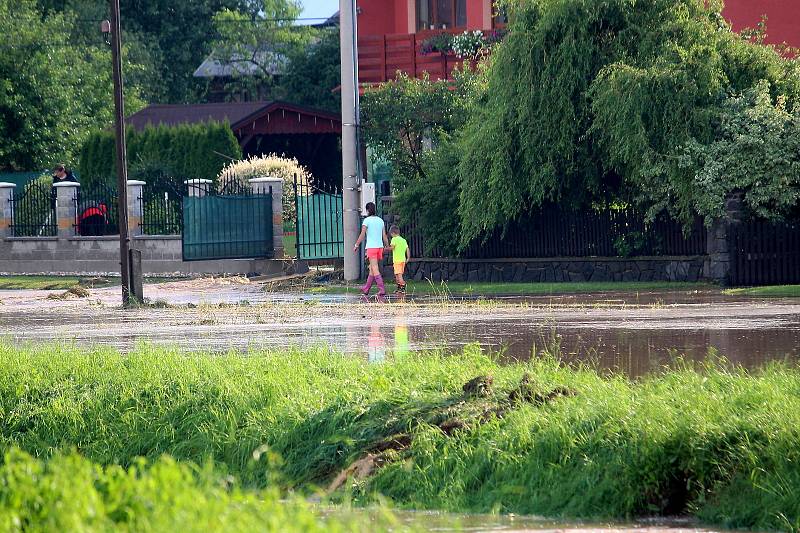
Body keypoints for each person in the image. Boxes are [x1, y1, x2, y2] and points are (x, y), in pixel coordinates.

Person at [353, 202, 389, 297]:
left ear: (367, 210)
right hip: (379, 247)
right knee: (372, 269)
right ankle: (366, 288)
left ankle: (382, 289)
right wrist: (387, 245)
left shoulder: (367, 220)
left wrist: (356, 245)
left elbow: (362, 234)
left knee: (375, 268)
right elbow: (384, 235)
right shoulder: (380, 220)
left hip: (371, 247)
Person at [387, 225, 410, 295]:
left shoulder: (394, 239)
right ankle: (399, 288)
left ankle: (403, 287)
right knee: (397, 275)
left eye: (391, 235)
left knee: (399, 275)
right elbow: (407, 249)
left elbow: (392, 247)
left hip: (397, 260)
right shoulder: (403, 240)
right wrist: (408, 257)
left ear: (393, 233)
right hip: (403, 260)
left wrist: (386, 248)